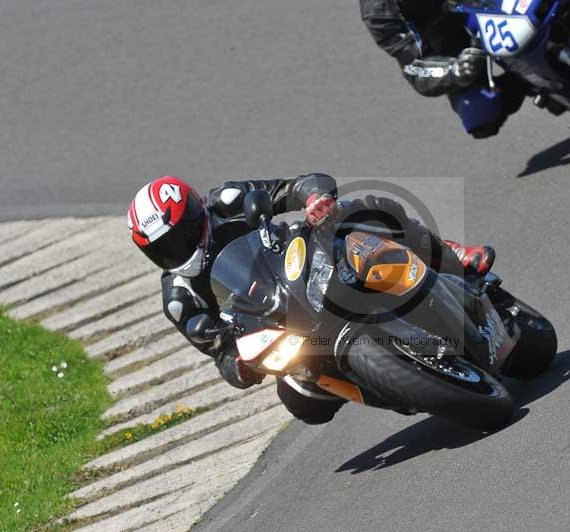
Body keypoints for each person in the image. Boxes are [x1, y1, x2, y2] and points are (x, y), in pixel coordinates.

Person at [128, 174, 496, 424]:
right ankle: (393, 384)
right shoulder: (180, 300)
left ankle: (450, 257)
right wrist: (239, 366)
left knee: (365, 210)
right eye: (161, 249)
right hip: (287, 328)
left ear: (194, 218)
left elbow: (297, 185)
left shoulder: (227, 202)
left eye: (176, 239)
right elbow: (220, 352)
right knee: (298, 399)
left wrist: (314, 198)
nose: (173, 252)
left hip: (303, 265)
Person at [359, 0, 526, 138]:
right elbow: (415, 67)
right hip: (455, 39)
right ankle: (528, 81)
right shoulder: (378, 11)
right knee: (479, 113)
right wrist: (453, 71)